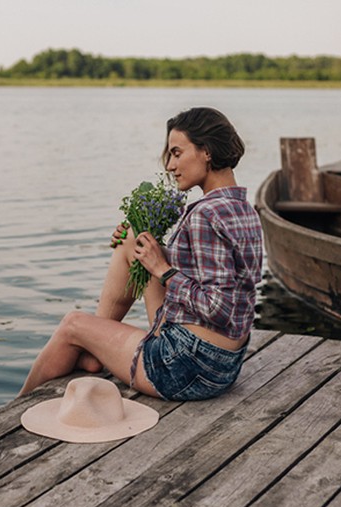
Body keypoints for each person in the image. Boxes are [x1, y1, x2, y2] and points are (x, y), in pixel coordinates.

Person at [19, 107, 263, 400]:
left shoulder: (205, 215)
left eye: (176, 152)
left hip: (186, 367)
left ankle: (15, 408)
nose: (170, 165)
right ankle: (94, 346)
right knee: (134, 238)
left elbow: (218, 308)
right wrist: (150, 250)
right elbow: (225, 285)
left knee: (72, 323)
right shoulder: (243, 208)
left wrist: (163, 269)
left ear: (207, 152)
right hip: (224, 364)